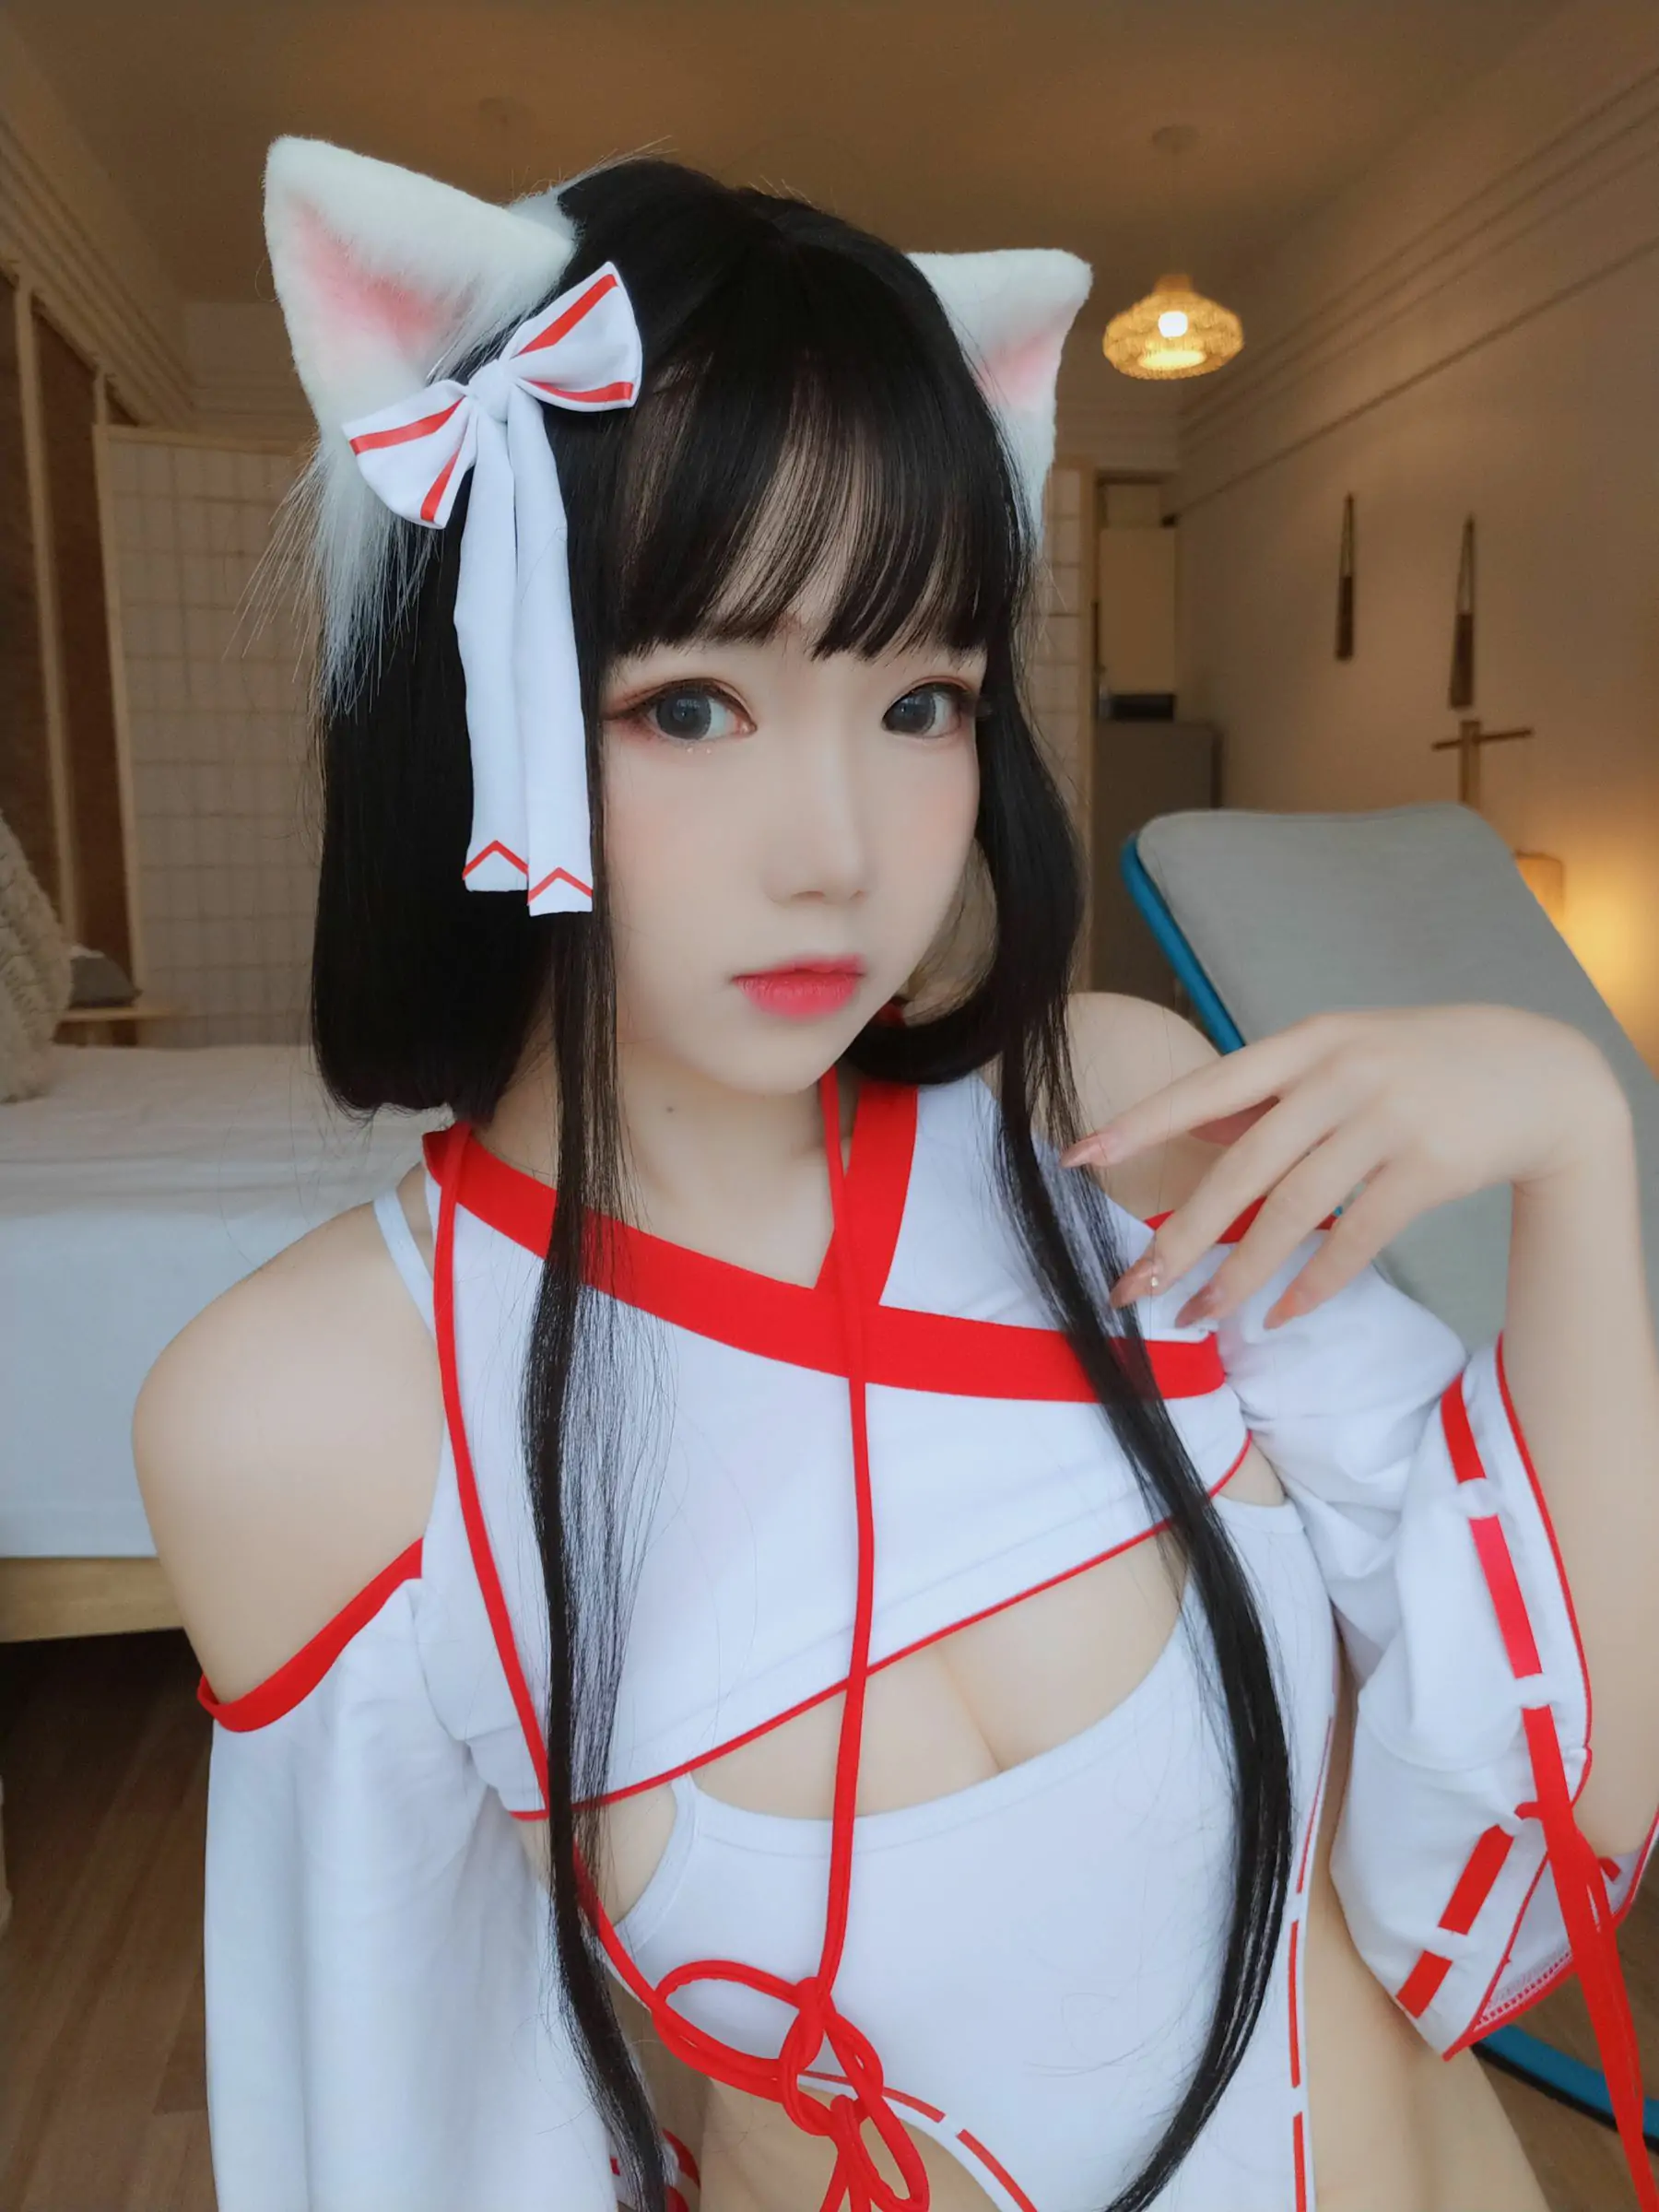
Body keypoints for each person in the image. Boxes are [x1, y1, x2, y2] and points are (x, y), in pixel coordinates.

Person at [133, 135, 1659, 2212]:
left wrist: (1576, 1135)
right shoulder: (306, 1415)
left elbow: (1559, 1798)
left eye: (921, 697)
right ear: (468, 697)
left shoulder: (1110, 1126)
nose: (842, 851)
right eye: (690, 706)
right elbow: (414, 2141)